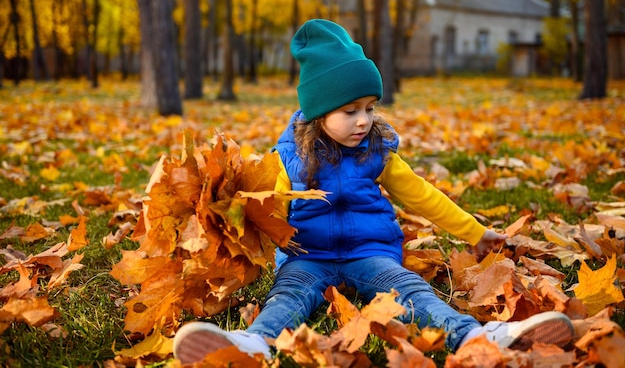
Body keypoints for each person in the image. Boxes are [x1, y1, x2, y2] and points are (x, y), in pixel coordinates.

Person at [173, 19, 574, 364]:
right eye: (350, 111)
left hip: (370, 254)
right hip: (306, 257)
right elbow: (270, 212)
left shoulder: (377, 153)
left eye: (369, 107)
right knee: (289, 296)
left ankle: (478, 337)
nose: (363, 120)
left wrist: (475, 232)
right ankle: (251, 344)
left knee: (412, 291)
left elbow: (422, 195)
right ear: (318, 113)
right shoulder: (289, 160)